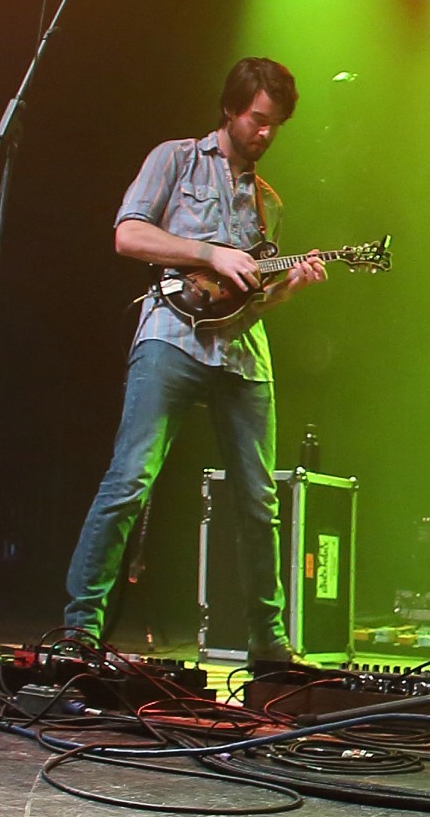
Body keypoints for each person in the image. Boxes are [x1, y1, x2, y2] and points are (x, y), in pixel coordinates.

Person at [63, 58, 326, 661]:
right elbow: (128, 234)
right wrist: (209, 252)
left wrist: (288, 289)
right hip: (171, 336)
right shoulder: (176, 159)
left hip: (241, 353)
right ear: (231, 109)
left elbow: (249, 301)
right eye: (258, 119)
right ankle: (79, 628)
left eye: (276, 125)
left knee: (259, 498)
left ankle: (269, 641)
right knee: (130, 479)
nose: (265, 134)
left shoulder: (270, 203)